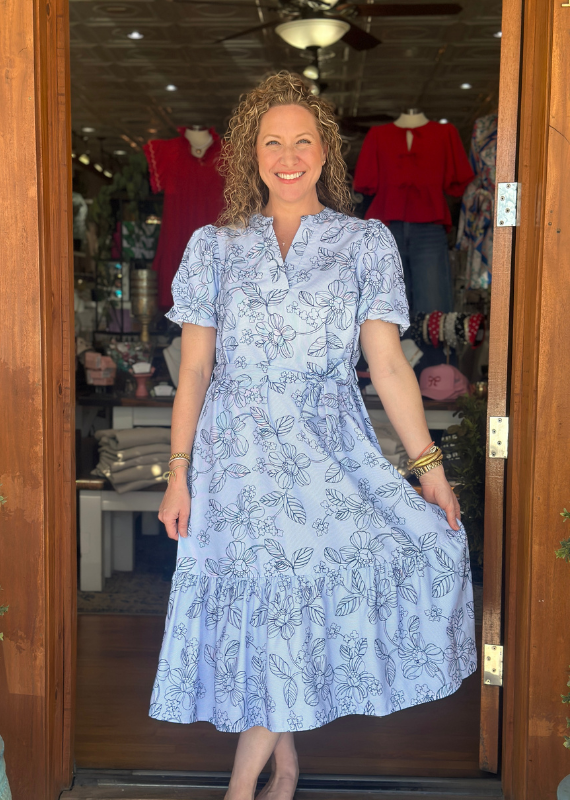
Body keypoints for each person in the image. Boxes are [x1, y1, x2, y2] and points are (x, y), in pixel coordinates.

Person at [152, 72, 476, 800]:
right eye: (273, 142)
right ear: (250, 153)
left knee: (304, 593)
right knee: (270, 604)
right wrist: (178, 473)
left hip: (324, 451)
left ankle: (241, 791)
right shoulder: (212, 246)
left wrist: (428, 467)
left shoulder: (366, 243)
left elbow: (389, 365)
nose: (288, 156)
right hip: (232, 456)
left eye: (303, 141)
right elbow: (196, 371)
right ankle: (285, 763)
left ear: (326, 152)